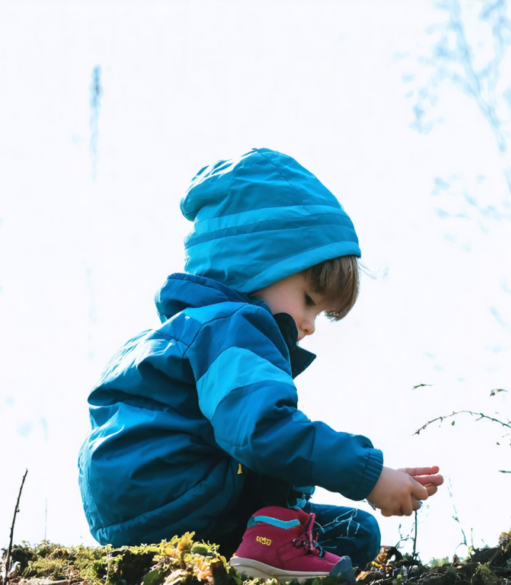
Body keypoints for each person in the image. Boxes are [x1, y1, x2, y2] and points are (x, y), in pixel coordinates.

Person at [78, 148, 443, 581]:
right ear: (259, 264)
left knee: (356, 534)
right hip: (181, 493)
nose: (308, 325)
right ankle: (273, 551)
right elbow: (262, 432)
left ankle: (266, 544)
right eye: (309, 300)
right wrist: (369, 474)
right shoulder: (238, 325)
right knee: (277, 432)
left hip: (134, 509)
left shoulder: (181, 331)